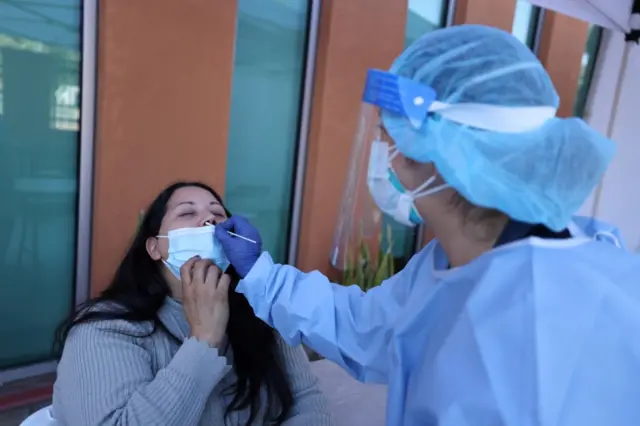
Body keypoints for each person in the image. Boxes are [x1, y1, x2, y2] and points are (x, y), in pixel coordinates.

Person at [215, 25, 640, 425]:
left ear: (440, 152)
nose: (384, 159)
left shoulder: (533, 332)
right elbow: (368, 327)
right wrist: (263, 277)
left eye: (386, 140)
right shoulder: (450, 265)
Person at [52, 181, 333, 426]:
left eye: (218, 214)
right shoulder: (106, 328)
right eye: (187, 213)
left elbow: (307, 402)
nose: (209, 221)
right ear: (154, 246)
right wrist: (204, 341)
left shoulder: (261, 310)